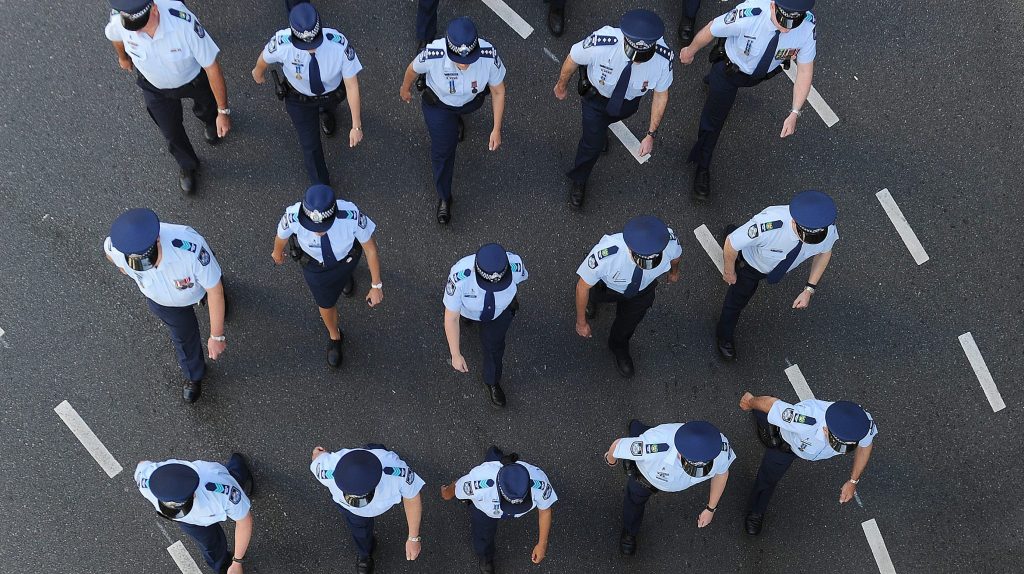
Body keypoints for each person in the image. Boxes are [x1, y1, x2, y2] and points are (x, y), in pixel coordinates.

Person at [679, 0, 817, 201]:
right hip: (728, 70)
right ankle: (702, 164)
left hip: (755, 76)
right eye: (782, 21)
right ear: (772, 6)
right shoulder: (749, 15)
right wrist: (690, 51)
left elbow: (805, 70)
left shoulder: (806, 26)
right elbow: (712, 28)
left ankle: (711, 84)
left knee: (721, 92)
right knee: (713, 122)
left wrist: (795, 112)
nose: (786, 29)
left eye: (792, 23)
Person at [105, 0, 232, 194]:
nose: (137, 33)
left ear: (154, 9)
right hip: (155, 87)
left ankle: (209, 120)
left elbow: (211, 67)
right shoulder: (121, 21)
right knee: (171, 131)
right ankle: (187, 165)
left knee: (208, 105)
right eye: (133, 28)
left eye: (142, 25)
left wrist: (223, 112)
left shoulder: (183, 23)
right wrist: (123, 56)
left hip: (192, 79)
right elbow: (115, 35)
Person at [553, 9, 672, 209]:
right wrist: (561, 85)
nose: (637, 60)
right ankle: (580, 178)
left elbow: (661, 95)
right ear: (626, 40)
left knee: (605, 126)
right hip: (595, 101)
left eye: (643, 56)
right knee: (591, 144)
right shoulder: (603, 43)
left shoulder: (663, 59)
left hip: (626, 104)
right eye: (634, 54)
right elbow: (573, 58)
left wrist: (651, 134)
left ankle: (601, 131)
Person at [104, 208, 226, 403]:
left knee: (216, 295)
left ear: (158, 241)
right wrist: (122, 268)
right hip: (164, 303)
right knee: (183, 339)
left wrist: (216, 336)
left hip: (198, 289)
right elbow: (109, 252)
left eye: (150, 260)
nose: (148, 266)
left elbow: (215, 290)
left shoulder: (190, 249)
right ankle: (194, 375)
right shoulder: (119, 247)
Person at [400, 17, 507, 224]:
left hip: (470, 102)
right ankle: (444, 196)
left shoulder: (488, 54)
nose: (464, 65)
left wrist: (496, 129)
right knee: (443, 152)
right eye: (459, 60)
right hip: (439, 106)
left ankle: (457, 120)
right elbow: (413, 69)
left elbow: (498, 91)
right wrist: (405, 89)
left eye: (468, 60)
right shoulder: (434, 54)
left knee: (461, 114)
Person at [715, 190, 837, 361]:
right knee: (735, 302)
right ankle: (724, 336)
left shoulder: (825, 227)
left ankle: (736, 232)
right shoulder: (770, 224)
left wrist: (809, 289)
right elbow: (731, 243)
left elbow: (825, 252)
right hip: (751, 266)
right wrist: (729, 272)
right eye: (806, 235)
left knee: (740, 237)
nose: (808, 240)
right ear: (794, 221)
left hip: (772, 264)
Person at [271, 184, 383, 368]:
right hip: (317, 268)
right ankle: (335, 335)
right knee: (325, 303)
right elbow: (281, 236)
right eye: (312, 226)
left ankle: (344, 279)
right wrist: (277, 253)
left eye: (324, 225)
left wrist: (376, 286)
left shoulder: (351, 215)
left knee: (345, 273)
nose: (318, 231)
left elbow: (370, 249)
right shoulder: (293, 216)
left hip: (346, 259)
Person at [253, 2, 363, 186]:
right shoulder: (282, 43)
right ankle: (321, 186)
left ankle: (326, 112)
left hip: (331, 94)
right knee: (310, 145)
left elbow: (352, 86)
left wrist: (356, 125)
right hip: (299, 99)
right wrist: (258, 72)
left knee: (330, 106)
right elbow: (265, 57)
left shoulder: (338, 44)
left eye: (315, 42)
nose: (311, 48)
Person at [739, 392, 877, 535]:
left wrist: (853, 481)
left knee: (773, 414)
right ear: (825, 429)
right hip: (787, 444)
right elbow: (771, 405)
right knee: (767, 478)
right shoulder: (804, 419)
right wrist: (749, 402)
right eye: (836, 443)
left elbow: (865, 446)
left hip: (807, 449)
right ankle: (756, 510)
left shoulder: (862, 425)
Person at [604, 420, 734, 555]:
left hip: (663, 457)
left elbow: (722, 473)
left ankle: (636, 426)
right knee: (634, 501)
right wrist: (610, 460)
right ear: (679, 452)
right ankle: (630, 532)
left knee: (643, 431)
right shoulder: (653, 446)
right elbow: (618, 445)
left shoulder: (720, 448)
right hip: (646, 478)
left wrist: (710, 509)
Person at [574, 215, 682, 378]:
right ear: (631, 249)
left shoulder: (668, 242)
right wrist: (581, 322)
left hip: (642, 290)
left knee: (629, 322)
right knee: (592, 294)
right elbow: (582, 286)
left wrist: (674, 272)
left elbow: (676, 256)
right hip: (608, 288)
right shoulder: (607, 256)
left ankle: (618, 345)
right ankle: (592, 303)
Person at [441, 446, 556, 574]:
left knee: (495, 458)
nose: (514, 509)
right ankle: (486, 559)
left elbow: (545, 511)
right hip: (484, 511)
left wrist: (542, 544)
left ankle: (495, 454)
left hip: (491, 499)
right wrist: (446, 493)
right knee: (482, 536)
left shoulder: (541, 484)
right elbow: (458, 486)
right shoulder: (479, 483)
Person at [311, 445, 424, 574]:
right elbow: (317, 460)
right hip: (352, 511)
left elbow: (412, 497)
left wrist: (413, 538)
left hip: (379, 458)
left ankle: (373, 448)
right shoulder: (327, 470)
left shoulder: (395, 471)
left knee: (376, 448)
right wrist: (319, 455)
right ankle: (365, 554)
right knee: (360, 531)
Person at [135, 455, 254, 573]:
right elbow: (142, 464)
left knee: (236, 478)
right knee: (210, 546)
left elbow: (244, 521)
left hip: (216, 498)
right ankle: (222, 567)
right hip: (189, 521)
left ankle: (238, 466)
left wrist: (237, 562)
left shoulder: (221, 491)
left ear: (193, 494)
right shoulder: (146, 481)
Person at [443, 243, 528, 408]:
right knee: (463, 319)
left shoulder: (516, 265)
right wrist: (456, 355)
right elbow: (451, 318)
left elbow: (522, 278)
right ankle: (468, 320)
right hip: (469, 310)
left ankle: (492, 380)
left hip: (499, 312)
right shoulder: (459, 277)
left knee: (494, 348)